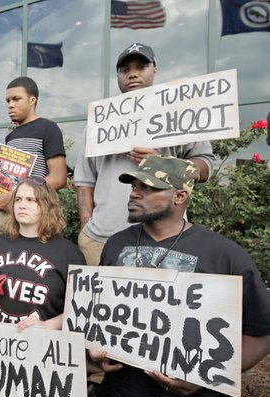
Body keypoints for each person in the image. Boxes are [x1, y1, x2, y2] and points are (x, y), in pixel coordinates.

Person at [90, 155, 270, 397]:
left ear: (180, 196)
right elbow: (98, 312)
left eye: (148, 187)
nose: (135, 193)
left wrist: (209, 377)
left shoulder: (224, 255)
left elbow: (260, 333)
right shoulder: (116, 244)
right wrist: (96, 348)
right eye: (134, 185)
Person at [74, 43, 216, 266]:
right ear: (118, 76)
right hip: (100, 240)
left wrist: (165, 165)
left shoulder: (179, 114)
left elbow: (207, 166)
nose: (132, 74)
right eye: (125, 69)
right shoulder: (99, 123)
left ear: (154, 70)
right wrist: (86, 226)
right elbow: (84, 181)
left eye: (141, 67)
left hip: (165, 240)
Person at [0, 176, 85, 397]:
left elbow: (80, 309)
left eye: (31, 200)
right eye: (19, 199)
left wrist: (46, 326)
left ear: (47, 205)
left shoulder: (68, 252)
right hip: (2, 354)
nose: (22, 205)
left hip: (44, 359)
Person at [0, 76, 68, 238]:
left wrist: (13, 196)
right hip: (5, 217)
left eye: (16, 99)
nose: (10, 105)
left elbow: (59, 178)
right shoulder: (11, 137)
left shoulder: (48, 128)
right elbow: (9, 181)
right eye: (7, 101)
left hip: (34, 215)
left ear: (32, 100)